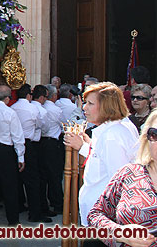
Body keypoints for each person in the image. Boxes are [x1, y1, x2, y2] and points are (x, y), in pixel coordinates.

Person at [64, 82, 139, 231]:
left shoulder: (113, 135)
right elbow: (102, 159)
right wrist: (86, 145)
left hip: (105, 220)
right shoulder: (111, 129)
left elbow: (118, 182)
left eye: (90, 104)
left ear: (106, 106)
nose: (84, 108)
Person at [87, 108, 157, 247]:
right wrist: (120, 233)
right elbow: (95, 215)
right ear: (146, 138)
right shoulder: (128, 174)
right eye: (156, 134)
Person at [0, 84, 25, 225]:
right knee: (10, 187)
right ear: (8, 98)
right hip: (5, 151)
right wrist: (21, 156)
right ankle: (13, 221)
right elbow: (17, 136)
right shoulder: (10, 113)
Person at [11, 84, 50, 223]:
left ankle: (19, 205)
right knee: (33, 180)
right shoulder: (33, 108)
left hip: (14, 143)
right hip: (29, 143)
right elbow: (41, 125)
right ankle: (35, 213)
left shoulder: (13, 107)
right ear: (29, 96)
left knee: (17, 178)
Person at [40, 83, 64, 216]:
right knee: (54, 175)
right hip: (52, 143)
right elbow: (63, 125)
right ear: (53, 96)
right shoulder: (56, 110)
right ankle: (57, 203)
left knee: (43, 175)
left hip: (40, 142)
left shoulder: (40, 107)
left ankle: (46, 202)